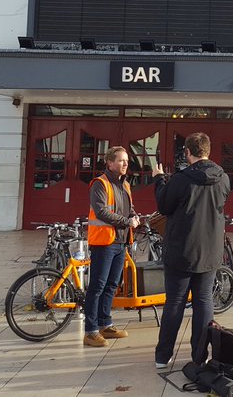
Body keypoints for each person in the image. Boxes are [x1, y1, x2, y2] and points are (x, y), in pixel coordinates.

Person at [153, 132, 230, 370]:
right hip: (210, 249)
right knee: (204, 301)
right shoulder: (223, 178)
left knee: (175, 303)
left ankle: (163, 356)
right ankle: (200, 355)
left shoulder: (181, 179)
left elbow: (164, 206)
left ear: (187, 152)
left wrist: (159, 180)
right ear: (208, 151)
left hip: (182, 248)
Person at [82, 146, 142, 348]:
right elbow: (101, 212)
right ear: (109, 163)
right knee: (97, 286)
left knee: (112, 285)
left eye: (126, 161)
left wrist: (134, 216)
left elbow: (129, 208)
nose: (125, 164)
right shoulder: (100, 184)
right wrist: (127, 221)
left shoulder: (125, 184)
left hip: (120, 241)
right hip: (104, 243)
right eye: (121, 160)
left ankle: (105, 324)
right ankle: (90, 331)